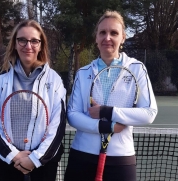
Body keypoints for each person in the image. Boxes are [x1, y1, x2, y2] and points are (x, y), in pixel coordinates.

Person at [64, 10, 158, 181]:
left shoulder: (137, 69)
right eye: (102, 32)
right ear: (96, 38)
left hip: (121, 158)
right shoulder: (83, 73)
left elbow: (149, 113)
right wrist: (105, 127)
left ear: (123, 38)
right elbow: (72, 115)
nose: (107, 37)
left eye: (114, 33)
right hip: (82, 155)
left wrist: (107, 112)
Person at [0, 19, 66, 181]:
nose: (28, 46)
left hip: (44, 163)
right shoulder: (1, 81)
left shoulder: (54, 80)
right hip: (10, 163)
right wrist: (14, 155)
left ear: (41, 45)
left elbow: (58, 125)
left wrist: (35, 159)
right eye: (22, 40)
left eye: (34, 41)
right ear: (14, 43)